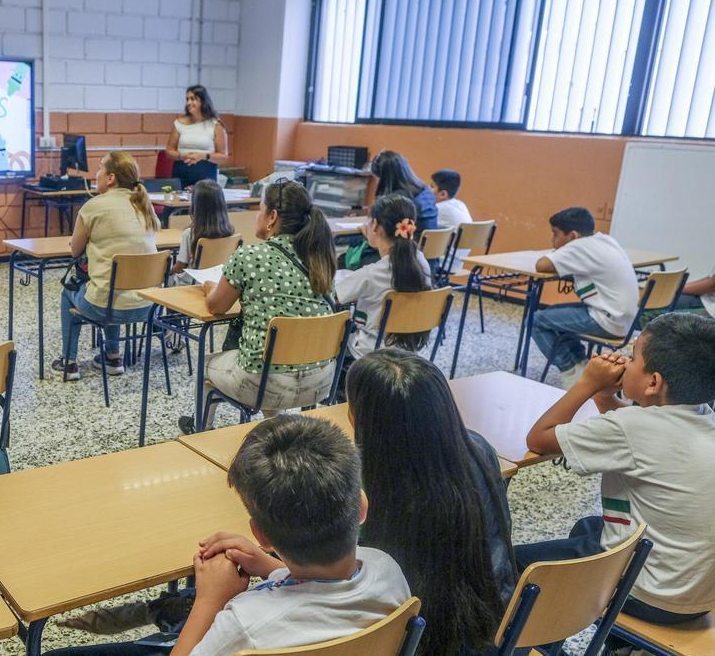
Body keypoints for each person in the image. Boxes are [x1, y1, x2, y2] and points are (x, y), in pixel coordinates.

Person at [519, 313, 715, 626]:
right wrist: (605, 396)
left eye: (634, 356)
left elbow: (539, 438)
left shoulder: (632, 427)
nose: (624, 360)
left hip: (647, 594)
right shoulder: (704, 415)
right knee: (588, 526)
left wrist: (587, 383)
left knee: (514, 566)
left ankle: (533, 634)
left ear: (653, 382)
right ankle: (600, 636)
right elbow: (641, 437)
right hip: (696, 596)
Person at [179, 415, 411, 655]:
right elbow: (324, 594)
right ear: (362, 506)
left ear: (261, 537)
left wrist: (209, 601)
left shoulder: (244, 627)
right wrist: (268, 566)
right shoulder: (387, 570)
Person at [347, 350, 517, 655]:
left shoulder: (365, 480)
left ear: (359, 418)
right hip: (494, 629)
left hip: (412, 642)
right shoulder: (477, 448)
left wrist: (273, 569)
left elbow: (343, 585)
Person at [188, 180, 337, 431]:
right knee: (276, 353)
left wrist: (208, 286)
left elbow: (216, 306)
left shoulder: (250, 256)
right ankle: (277, 429)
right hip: (321, 379)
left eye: (260, 209)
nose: (257, 216)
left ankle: (201, 432)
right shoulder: (321, 260)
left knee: (208, 363)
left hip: (265, 384)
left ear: (272, 217)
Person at [53, 151, 159, 382]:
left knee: (70, 291)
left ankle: (69, 363)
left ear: (111, 178)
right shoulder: (145, 206)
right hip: (149, 306)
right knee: (114, 284)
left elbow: (75, 251)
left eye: (100, 168)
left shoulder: (93, 207)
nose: (96, 173)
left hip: (105, 306)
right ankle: (113, 357)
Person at [531, 207, 638, 388]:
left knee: (536, 320)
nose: (552, 240)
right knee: (554, 316)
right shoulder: (605, 240)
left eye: (555, 234)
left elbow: (542, 265)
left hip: (608, 320)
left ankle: (570, 370)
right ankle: (581, 365)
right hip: (624, 320)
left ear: (572, 236)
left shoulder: (579, 246)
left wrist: (557, 252)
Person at [335, 194, 433, 362]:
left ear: (376, 226)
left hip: (368, 352)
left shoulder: (372, 273)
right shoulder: (421, 261)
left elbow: (335, 295)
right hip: (408, 350)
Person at [341, 150, 437, 271]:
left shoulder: (399, 201)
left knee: (345, 257)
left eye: (378, 179)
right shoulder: (425, 192)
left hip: (403, 260)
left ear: (385, 178)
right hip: (427, 261)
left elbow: (387, 238)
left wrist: (368, 232)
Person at [165, 85, 229, 189]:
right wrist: (183, 156)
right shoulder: (179, 123)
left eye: (193, 99)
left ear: (203, 101)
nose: (189, 103)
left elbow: (223, 156)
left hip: (206, 176)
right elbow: (169, 151)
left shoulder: (215, 125)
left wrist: (202, 156)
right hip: (181, 174)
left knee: (204, 203)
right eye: (187, 99)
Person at [170, 179, 234, 283]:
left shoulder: (190, 234)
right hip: (218, 282)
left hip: (192, 284)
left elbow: (180, 267)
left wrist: (169, 270)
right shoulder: (229, 232)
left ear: (196, 206)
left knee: (167, 278)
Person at [431, 169, 473, 273]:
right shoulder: (461, 205)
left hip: (442, 264)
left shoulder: (439, 209)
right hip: (456, 264)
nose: (428, 190)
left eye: (432, 186)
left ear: (443, 194)